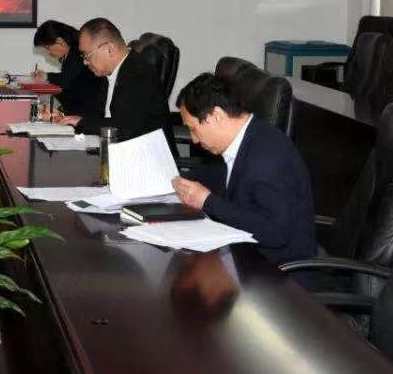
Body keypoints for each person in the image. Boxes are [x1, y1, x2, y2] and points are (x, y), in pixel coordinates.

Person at [171, 73, 316, 264]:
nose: (194, 139)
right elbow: (226, 177)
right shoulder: (248, 137)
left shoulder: (267, 157)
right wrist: (182, 178)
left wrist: (207, 201)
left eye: (193, 129)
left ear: (217, 117)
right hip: (248, 255)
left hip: (280, 270)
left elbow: (276, 233)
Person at [54, 18, 173, 147]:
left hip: (146, 155)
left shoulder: (138, 74)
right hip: (120, 148)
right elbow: (97, 112)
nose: (85, 62)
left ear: (110, 49)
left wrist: (80, 122)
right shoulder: (109, 72)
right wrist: (64, 117)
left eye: (87, 55)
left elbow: (125, 128)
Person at [30, 20, 107, 117]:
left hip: (89, 114)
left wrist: (46, 78)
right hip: (84, 110)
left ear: (59, 42)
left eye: (47, 48)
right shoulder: (71, 53)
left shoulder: (77, 53)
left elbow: (66, 80)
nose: (48, 53)